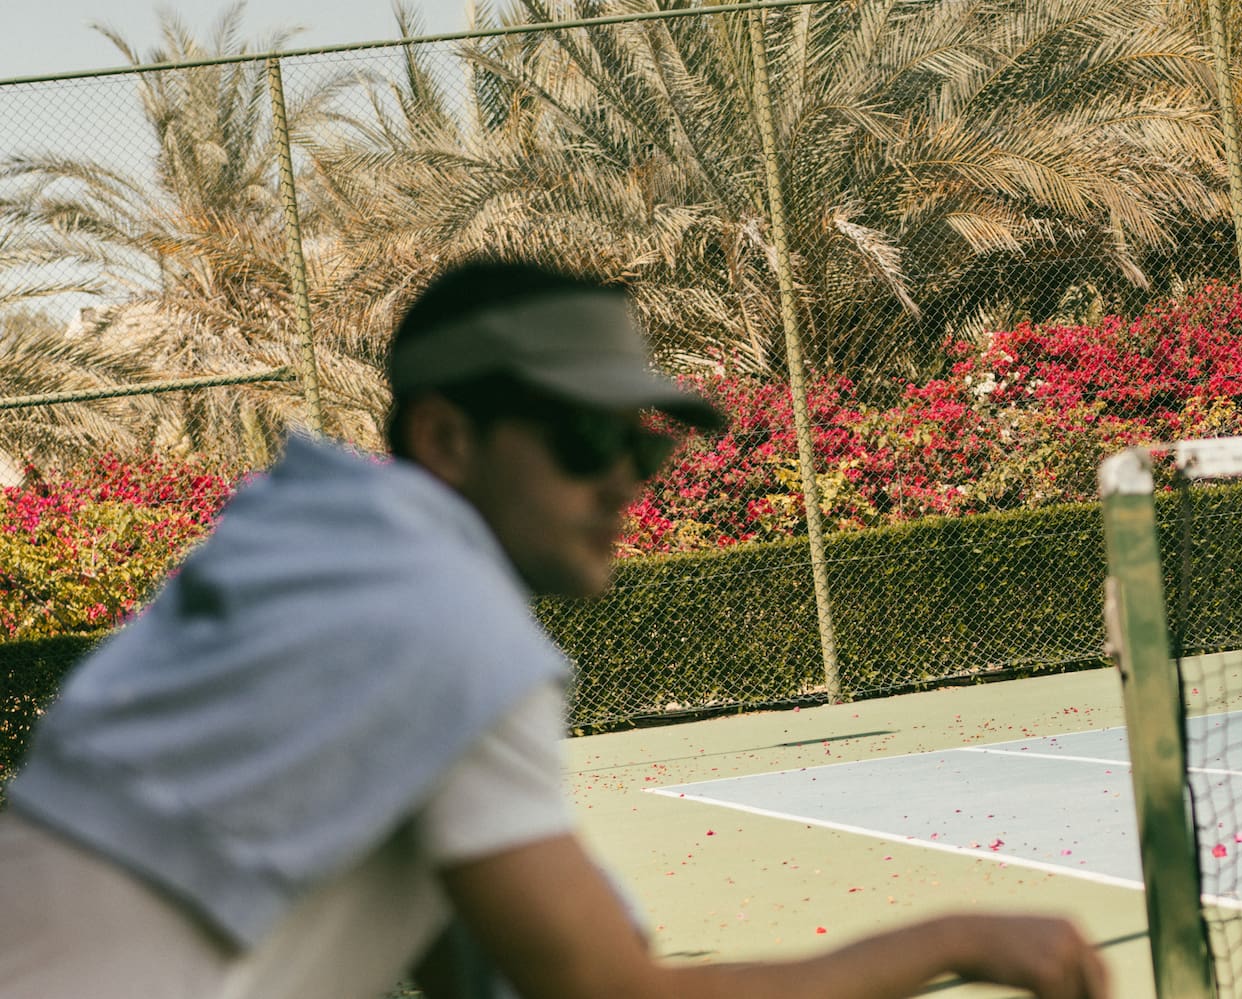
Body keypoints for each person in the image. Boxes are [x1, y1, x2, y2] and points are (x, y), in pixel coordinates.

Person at [0, 260, 1110, 999]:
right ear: (447, 437)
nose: (626, 480)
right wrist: (956, 938)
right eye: (584, 439)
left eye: (644, 442)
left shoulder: (307, 548)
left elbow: (455, 949)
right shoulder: (444, 620)